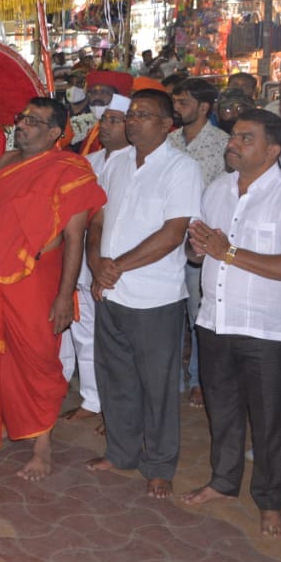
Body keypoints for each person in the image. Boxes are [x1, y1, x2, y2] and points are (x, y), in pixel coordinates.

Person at [0, 98, 106, 480]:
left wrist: (64, 297)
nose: (23, 125)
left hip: (35, 277)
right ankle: (1, 418)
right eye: (21, 118)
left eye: (35, 121)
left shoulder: (70, 169)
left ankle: (42, 446)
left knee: (39, 360)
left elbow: (75, 238)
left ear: (55, 133)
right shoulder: (4, 162)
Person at [181, 109, 281, 537]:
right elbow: (199, 253)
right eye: (235, 136)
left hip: (265, 330)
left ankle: (270, 501)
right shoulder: (218, 190)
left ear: (273, 150)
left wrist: (228, 252)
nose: (233, 143)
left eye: (246, 138)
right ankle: (224, 483)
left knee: (267, 422)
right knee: (222, 412)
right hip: (215, 322)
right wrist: (198, 251)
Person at [86, 89, 203, 499]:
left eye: (144, 115)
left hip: (154, 297)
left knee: (157, 386)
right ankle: (120, 452)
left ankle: (159, 465)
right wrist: (97, 262)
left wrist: (116, 266)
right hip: (112, 292)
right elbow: (95, 219)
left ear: (168, 124)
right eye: (130, 114)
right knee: (115, 378)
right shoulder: (115, 163)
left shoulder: (180, 168)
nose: (132, 121)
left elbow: (173, 233)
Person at [61, 93, 130, 427]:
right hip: (85, 263)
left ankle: (120, 410)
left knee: (118, 342)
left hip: (118, 267)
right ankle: (92, 399)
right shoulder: (89, 162)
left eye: (115, 120)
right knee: (83, 333)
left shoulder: (136, 164)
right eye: (105, 120)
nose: (106, 126)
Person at [169, 77, 229, 409]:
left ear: (204, 107)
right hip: (167, 240)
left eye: (183, 103)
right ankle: (172, 377)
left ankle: (198, 379)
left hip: (201, 243)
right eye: (175, 102)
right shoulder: (169, 141)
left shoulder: (222, 144)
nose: (176, 109)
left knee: (198, 316)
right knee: (170, 313)